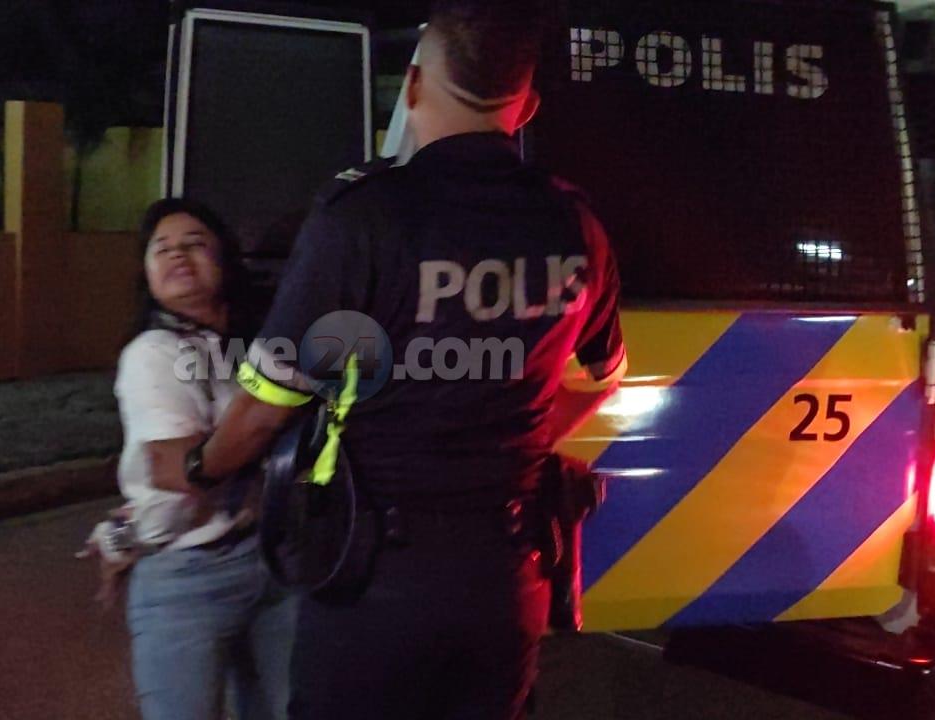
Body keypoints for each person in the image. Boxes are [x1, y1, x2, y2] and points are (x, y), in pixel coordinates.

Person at [179, 2, 626, 718]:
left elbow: (266, 407)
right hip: (507, 576)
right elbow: (601, 379)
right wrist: (515, 441)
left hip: (372, 576)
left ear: (412, 86)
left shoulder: (363, 216)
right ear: (527, 106)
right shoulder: (575, 223)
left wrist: (203, 469)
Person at [80, 198, 296, 720]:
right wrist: (127, 538)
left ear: (225, 260)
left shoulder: (252, 345)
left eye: (195, 244)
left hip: (274, 561)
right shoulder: (154, 354)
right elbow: (179, 480)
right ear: (147, 273)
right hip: (188, 578)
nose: (177, 255)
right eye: (162, 249)